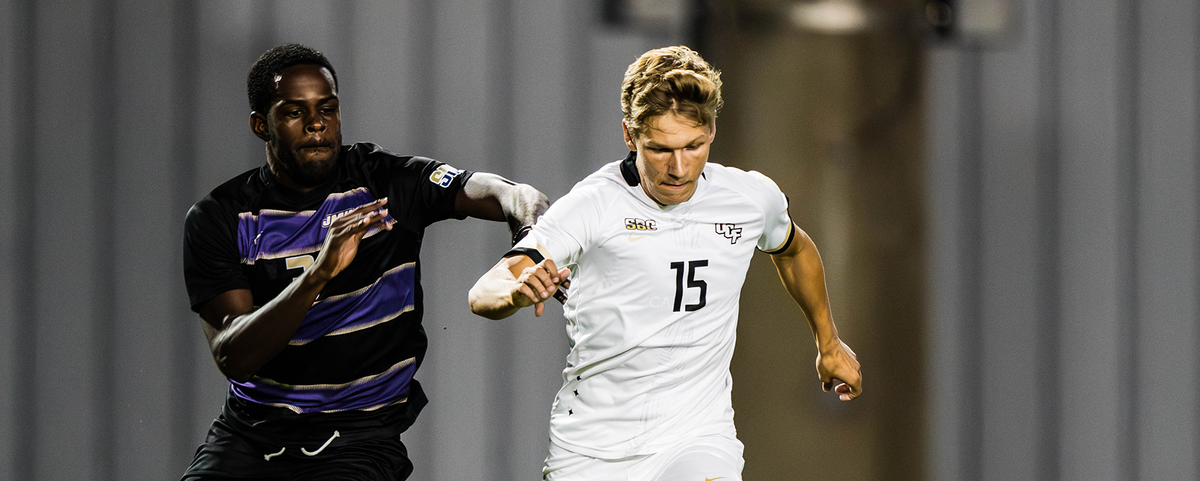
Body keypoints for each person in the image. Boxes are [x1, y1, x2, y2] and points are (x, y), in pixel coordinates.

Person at [468, 45, 862, 481]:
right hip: (594, 450)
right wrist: (514, 293)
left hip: (698, 436)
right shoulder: (593, 204)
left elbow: (794, 248)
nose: (678, 167)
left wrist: (829, 343)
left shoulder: (749, 198)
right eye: (660, 149)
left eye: (693, 146)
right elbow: (485, 290)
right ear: (629, 136)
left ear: (712, 130)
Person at [181, 43, 548, 480]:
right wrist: (320, 273)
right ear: (262, 126)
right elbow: (233, 354)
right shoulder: (220, 216)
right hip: (250, 434)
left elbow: (515, 194)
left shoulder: (384, 181)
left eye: (328, 109)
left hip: (358, 437)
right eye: (295, 112)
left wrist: (529, 243)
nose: (317, 124)